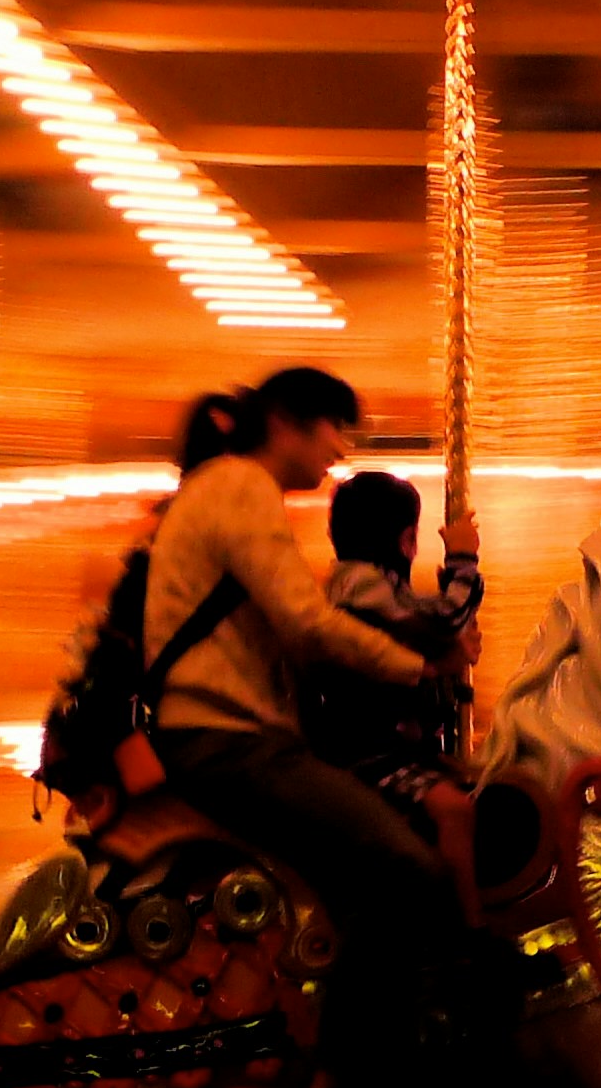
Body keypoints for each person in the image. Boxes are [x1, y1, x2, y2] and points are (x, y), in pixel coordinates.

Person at [144, 370, 465, 1019]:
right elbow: (306, 622)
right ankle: (375, 1060)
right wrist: (416, 669)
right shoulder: (241, 488)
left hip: (230, 733)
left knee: (350, 889)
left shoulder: (226, 492)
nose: (339, 450)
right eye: (332, 430)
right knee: (408, 866)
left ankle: (327, 1036)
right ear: (287, 423)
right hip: (230, 739)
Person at [303, 468, 484, 835]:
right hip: (366, 751)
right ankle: (459, 895)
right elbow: (439, 623)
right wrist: (462, 560)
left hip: (391, 745)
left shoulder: (369, 586)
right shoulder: (359, 586)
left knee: (483, 784)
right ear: (406, 540)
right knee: (455, 811)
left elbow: (426, 621)